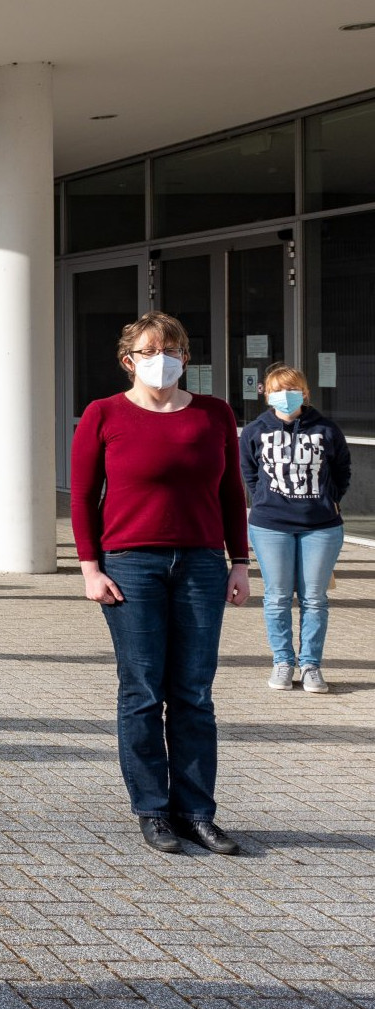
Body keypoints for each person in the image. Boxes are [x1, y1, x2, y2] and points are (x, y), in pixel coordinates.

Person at [71, 310, 250, 857]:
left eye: (171, 349)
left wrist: (239, 562)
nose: (162, 359)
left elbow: (231, 495)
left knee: (194, 692)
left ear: (186, 358)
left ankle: (197, 811)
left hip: (200, 564)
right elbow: (82, 497)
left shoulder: (214, 414)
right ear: (129, 360)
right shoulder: (103, 415)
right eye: (150, 350)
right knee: (143, 691)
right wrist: (90, 569)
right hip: (130, 565)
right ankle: (153, 810)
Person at [241, 363, 351, 694]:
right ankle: (283, 662)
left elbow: (342, 470)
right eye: (276, 389)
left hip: (321, 527)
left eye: (290, 389)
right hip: (271, 526)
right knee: (276, 597)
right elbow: (249, 472)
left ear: (303, 392)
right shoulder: (255, 430)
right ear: (266, 394)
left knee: (314, 599)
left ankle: (311, 665)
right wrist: (264, 500)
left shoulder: (326, 430)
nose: (283, 396)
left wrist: (328, 499)